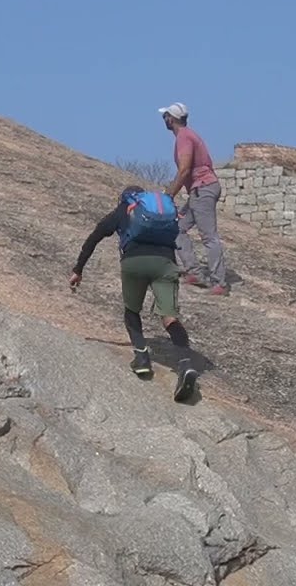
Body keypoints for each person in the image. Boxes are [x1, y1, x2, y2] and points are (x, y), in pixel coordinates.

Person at [69, 186, 201, 402]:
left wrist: (78, 270)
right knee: (169, 317)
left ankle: (142, 358)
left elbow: (95, 237)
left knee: (132, 311)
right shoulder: (162, 213)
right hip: (166, 264)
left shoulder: (123, 210)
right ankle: (185, 365)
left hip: (134, 264)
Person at [159, 102, 229, 295]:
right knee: (177, 228)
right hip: (200, 189)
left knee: (209, 237)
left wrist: (169, 195)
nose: (164, 119)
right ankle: (195, 273)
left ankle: (219, 283)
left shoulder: (184, 137)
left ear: (171, 118)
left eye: (165, 116)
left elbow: (184, 170)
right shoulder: (187, 135)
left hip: (202, 188)